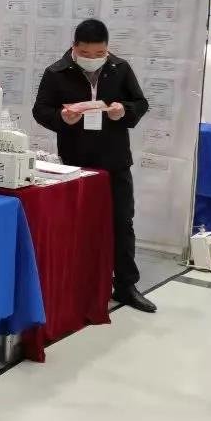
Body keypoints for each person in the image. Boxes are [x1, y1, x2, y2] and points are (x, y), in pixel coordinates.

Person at [33, 18, 154, 314]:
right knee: (77, 225)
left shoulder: (119, 68)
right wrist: (61, 118)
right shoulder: (56, 72)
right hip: (75, 162)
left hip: (115, 160)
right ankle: (78, 284)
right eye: (86, 54)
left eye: (99, 53)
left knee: (122, 222)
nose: (93, 59)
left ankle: (126, 285)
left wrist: (124, 111)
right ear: (74, 47)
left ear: (107, 48)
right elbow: (41, 110)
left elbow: (140, 103)